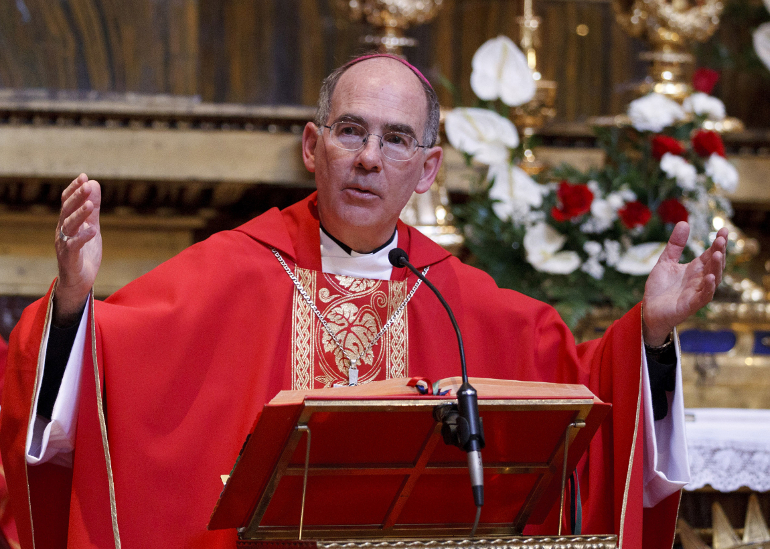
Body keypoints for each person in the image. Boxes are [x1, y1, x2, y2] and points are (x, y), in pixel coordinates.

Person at [0, 54, 727, 549]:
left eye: (396, 138)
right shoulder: (227, 271)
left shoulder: (459, 299)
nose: (369, 157)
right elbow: (96, 368)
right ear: (313, 147)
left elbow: (588, 404)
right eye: (350, 131)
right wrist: (71, 300)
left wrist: (652, 335)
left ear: (428, 169)